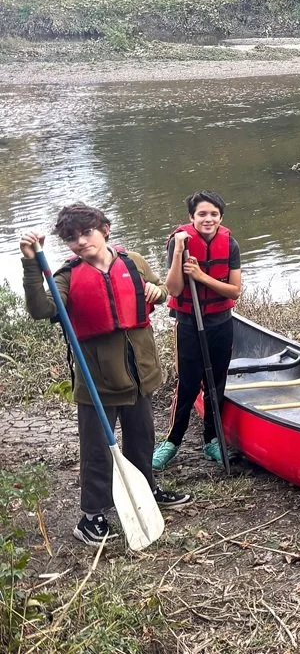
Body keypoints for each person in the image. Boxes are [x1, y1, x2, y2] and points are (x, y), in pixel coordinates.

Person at [20, 203, 190, 548]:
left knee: (142, 437)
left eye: (87, 233)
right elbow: (41, 310)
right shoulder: (66, 276)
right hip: (97, 379)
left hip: (139, 371)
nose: (81, 242)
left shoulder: (132, 260)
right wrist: (28, 263)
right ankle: (92, 515)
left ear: (105, 230)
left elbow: (157, 287)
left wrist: (156, 290)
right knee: (97, 449)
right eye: (72, 238)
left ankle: (147, 488)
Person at [153, 191, 243, 470]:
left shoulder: (230, 245)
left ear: (221, 217)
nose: (208, 219)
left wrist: (202, 277)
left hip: (220, 322)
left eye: (214, 214)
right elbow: (175, 289)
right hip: (189, 323)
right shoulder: (179, 243)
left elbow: (235, 290)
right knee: (189, 383)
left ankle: (211, 440)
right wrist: (179, 252)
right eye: (202, 214)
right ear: (191, 218)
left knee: (217, 383)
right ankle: (171, 442)